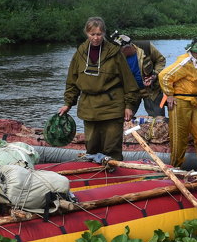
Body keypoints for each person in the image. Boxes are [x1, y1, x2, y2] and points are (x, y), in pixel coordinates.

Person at [58, 17, 139, 160]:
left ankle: (114, 175)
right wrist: (68, 103)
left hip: (112, 106)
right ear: (86, 34)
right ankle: (94, 174)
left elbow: (129, 82)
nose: (96, 38)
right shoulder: (80, 53)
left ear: (104, 34)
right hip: (89, 107)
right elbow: (72, 82)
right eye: (92, 34)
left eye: (99, 34)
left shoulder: (115, 53)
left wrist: (129, 105)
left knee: (111, 146)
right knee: (92, 146)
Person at [158, 37, 197, 171]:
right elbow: (164, 76)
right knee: (179, 137)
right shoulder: (184, 62)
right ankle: (175, 167)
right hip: (180, 103)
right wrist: (170, 95)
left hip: (193, 103)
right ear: (195, 51)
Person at [111, 33, 168, 116]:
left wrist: (155, 75)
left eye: (119, 51)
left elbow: (161, 60)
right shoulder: (116, 58)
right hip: (131, 92)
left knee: (158, 120)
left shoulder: (145, 46)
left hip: (152, 91)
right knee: (124, 118)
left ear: (127, 48)